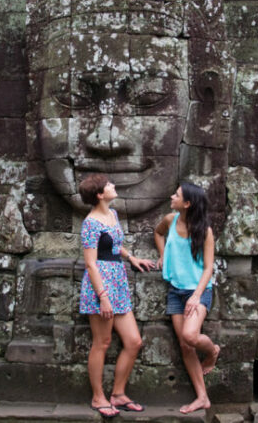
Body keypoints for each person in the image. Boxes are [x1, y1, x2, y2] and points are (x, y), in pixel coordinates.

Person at [78, 174, 156, 418]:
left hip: (118, 280)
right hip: (100, 284)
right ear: (100, 195)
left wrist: (131, 257)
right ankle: (98, 397)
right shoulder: (90, 223)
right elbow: (90, 263)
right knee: (102, 343)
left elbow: (113, 245)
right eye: (109, 185)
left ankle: (119, 394)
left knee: (134, 342)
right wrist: (103, 296)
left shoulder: (112, 215)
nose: (114, 186)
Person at [154, 182, 220, 414]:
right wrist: (164, 256)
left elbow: (209, 268)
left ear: (188, 203)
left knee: (190, 335)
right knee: (185, 345)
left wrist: (196, 296)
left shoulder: (205, 231)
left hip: (198, 291)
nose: (172, 196)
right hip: (175, 290)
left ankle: (213, 352)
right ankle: (202, 397)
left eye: (177, 195)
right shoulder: (170, 220)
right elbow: (158, 233)